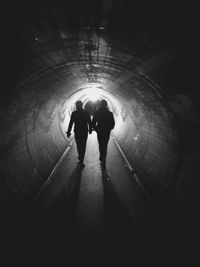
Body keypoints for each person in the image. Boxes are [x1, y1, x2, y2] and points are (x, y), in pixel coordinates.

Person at [66, 100, 92, 166]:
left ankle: (80, 158)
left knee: (79, 145)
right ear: (82, 105)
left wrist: (69, 132)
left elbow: (71, 123)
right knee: (83, 145)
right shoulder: (86, 113)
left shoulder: (74, 113)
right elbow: (89, 122)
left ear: (77, 106)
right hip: (84, 131)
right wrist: (90, 129)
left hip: (77, 131)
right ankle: (81, 159)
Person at [92, 99, 115, 165]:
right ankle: (103, 158)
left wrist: (97, 130)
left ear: (100, 105)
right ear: (106, 105)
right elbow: (113, 123)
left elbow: (93, 123)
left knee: (101, 144)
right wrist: (109, 129)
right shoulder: (110, 113)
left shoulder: (96, 113)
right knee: (105, 145)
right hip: (106, 132)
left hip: (100, 131)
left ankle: (102, 157)